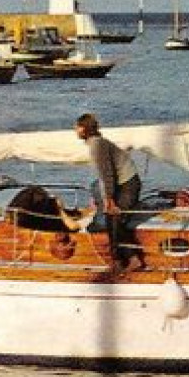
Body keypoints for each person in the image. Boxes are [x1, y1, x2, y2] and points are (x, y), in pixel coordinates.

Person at [76, 112, 143, 270]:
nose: (75, 130)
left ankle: (132, 259)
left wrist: (108, 199)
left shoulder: (97, 145)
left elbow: (107, 174)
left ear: (84, 129)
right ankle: (118, 261)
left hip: (129, 183)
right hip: (122, 184)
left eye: (77, 127)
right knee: (109, 217)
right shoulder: (96, 143)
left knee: (115, 217)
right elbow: (104, 176)